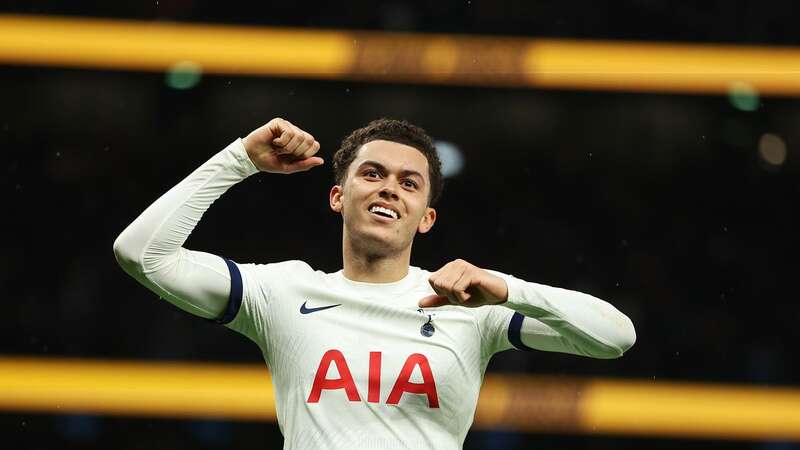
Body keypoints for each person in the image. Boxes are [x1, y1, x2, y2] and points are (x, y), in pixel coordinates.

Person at [113, 117, 636, 449]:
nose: (389, 188)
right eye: (372, 173)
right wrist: (238, 161)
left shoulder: (470, 303)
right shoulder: (283, 292)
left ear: (425, 218)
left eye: (409, 183)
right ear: (338, 197)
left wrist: (509, 290)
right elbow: (141, 254)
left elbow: (616, 337)